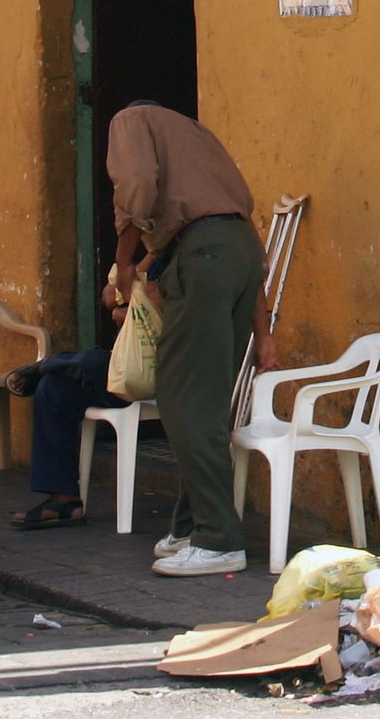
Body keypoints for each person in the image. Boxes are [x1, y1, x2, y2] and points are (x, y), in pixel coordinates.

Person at [105, 101, 272, 577]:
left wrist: (124, 263)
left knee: (183, 397)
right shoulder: (195, 133)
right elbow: (242, 225)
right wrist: (264, 334)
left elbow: (136, 187)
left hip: (203, 257)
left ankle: (219, 539)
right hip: (236, 254)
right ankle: (189, 526)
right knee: (203, 398)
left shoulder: (129, 121)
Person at [2, 345, 125, 531]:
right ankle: (64, 500)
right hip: (121, 377)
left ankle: (48, 364)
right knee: (53, 388)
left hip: (155, 373)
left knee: (94, 362)